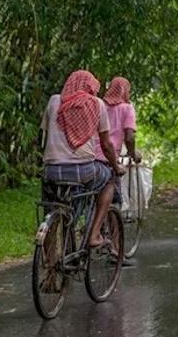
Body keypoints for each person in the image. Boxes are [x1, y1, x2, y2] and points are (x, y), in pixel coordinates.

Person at [41, 70, 126, 248]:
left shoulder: (54, 101)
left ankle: (50, 268)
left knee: (50, 211)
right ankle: (94, 234)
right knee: (109, 180)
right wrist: (116, 167)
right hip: (83, 170)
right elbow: (106, 145)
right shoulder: (96, 104)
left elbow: (46, 134)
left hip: (52, 171)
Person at [96, 76, 141, 204]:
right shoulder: (127, 108)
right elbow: (129, 137)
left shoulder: (99, 105)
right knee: (114, 198)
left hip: (91, 156)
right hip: (109, 157)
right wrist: (132, 153)